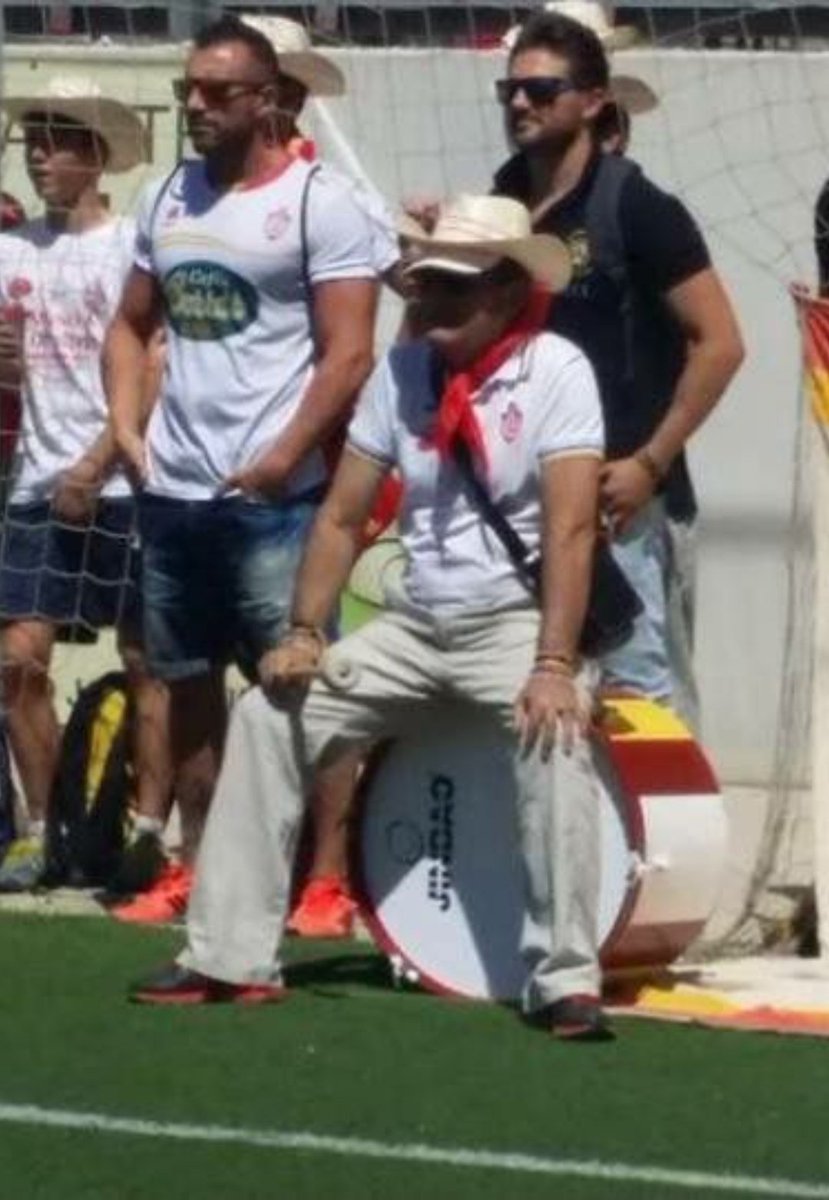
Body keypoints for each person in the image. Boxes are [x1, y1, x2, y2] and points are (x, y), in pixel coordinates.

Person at [129, 193, 616, 1042]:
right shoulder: (401, 376)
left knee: (556, 735)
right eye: (422, 287)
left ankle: (562, 979)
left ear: (505, 295)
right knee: (266, 713)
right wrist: (305, 632)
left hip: (514, 623)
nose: (427, 305)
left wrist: (552, 663)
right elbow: (342, 517)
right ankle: (228, 955)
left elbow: (571, 528)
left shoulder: (557, 370)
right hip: (415, 624)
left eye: (450, 291)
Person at [104, 15, 380, 923]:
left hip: (273, 502)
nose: (196, 106)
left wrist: (281, 459)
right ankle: (198, 866)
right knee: (184, 688)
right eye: (190, 89)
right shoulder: (168, 196)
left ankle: (328, 876)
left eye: (217, 92)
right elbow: (130, 322)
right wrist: (126, 424)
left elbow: (348, 355)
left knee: (304, 687)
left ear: (266, 101)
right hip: (176, 493)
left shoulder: (317, 202)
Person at [491, 10, 744, 729]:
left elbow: (720, 343)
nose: (519, 103)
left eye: (540, 89)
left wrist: (649, 463)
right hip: (531, 490)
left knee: (640, 690)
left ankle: (663, 844)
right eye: (508, 88)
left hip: (621, 498)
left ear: (594, 99)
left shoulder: (635, 205)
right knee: (543, 682)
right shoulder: (504, 195)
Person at [239, 11, 401, 939]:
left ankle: (330, 874)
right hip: (207, 475)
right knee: (199, 678)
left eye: (277, 85)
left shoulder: (336, 200)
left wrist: (304, 453)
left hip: (305, 478)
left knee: (318, 673)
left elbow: (365, 348)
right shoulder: (189, 196)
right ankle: (220, 861)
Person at [0, 77, 167, 891]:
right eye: (33, 138)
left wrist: (100, 458)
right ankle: (39, 830)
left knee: (146, 664)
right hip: (36, 483)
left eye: (60, 139)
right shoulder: (10, 248)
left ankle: (146, 830)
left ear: (98, 157)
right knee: (16, 662)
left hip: (125, 483)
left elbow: (155, 364)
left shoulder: (133, 244)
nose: (40, 153)